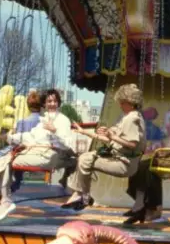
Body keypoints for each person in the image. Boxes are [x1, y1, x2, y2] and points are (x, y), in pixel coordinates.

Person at [0, 88, 76, 221]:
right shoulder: (43, 120)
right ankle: (5, 200)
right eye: (49, 101)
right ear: (45, 104)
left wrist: (55, 131)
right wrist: (10, 138)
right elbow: (30, 137)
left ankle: (6, 201)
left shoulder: (63, 120)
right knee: (4, 160)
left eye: (54, 101)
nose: (52, 104)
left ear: (58, 103)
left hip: (52, 155)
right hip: (39, 152)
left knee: (7, 161)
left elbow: (67, 144)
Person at [62, 83, 146, 212]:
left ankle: (83, 196)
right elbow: (107, 138)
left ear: (129, 102)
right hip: (120, 159)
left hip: (124, 164)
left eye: (122, 102)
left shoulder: (132, 118)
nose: (120, 105)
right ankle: (80, 194)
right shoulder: (129, 117)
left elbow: (132, 144)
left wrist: (112, 136)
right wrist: (83, 131)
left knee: (85, 159)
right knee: (84, 158)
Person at [10, 89, 43, 195]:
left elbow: (17, 141)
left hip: (25, 153)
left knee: (10, 153)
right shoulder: (46, 121)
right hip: (42, 153)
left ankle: (14, 182)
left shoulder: (22, 122)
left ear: (28, 106)